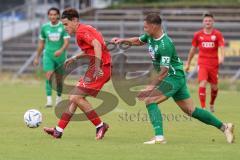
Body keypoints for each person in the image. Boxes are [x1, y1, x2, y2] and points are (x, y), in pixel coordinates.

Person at [111, 13, 234, 144]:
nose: (144, 29)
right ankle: (225, 127)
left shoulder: (165, 44)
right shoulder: (150, 36)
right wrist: (122, 40)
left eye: (146, 27)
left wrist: (150, 87)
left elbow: (164, 71)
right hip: (177, 77)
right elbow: (138, 40)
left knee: (150, 100)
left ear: (154, 26)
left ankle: (159, 137)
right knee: (191, 110)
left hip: (173, 77)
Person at [43, 8, 111, 140]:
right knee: (73, 98)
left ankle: (100, 125)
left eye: (66, 24)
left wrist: (97, 67)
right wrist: (75, 57)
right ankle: (58, 130)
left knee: (75, 97)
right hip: (97, 67)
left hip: (100, 68)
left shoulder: (81, 32)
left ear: (75, 20)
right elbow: (91, 49)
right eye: (62, 24)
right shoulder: (85, 29)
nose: (64, 27)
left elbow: (97, 45)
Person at [185, 12, 225, 112]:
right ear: (203, 22)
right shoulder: (198, 35)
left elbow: (221, 47)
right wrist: (188, 63)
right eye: (206, 20)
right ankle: (203, 107)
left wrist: (222, 57)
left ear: (213, 22)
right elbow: (193, 50)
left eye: (210, 20)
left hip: (214, 64)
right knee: (202, 83)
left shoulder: (217, 34)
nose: (208, 22)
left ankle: (211, 104)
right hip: (202, 63)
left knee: (214, 87)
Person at [34, 7, 70, 107]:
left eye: (55, 14)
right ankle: (49, 100)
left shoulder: (63, 27)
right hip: (48, 55)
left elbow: (67, 42)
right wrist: (37, 57)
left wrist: (61, 50)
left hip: (60, 56)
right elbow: (41, 44)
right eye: (51, 14)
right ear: (48, 16)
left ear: (58, 15)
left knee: (59, 79)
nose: (53, 16)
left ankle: (58, 98)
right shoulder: (45, 27)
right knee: (49, 76)